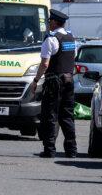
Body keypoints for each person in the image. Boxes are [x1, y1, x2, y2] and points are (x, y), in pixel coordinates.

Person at [29, 9, 77, 158]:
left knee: (50, 115)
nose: (49, 23)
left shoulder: (51, 39)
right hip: (69, 80)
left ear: (55, 22)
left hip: (54, 82)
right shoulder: (71, 38)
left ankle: (49, 149)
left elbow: (44, 64)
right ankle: (71, 150)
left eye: (50, 21)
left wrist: (36, 80)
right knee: (67, 116)